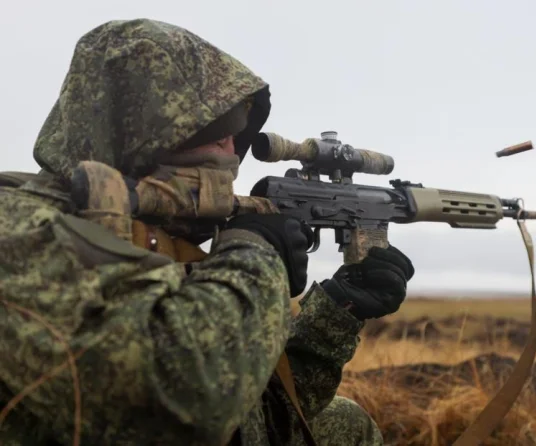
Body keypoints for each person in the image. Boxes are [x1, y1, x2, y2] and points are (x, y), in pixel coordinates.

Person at [0, 19, 414, 445]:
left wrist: (335, 315)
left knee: (347, 424)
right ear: (135, 132)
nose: (231, 152)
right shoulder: (16, 229)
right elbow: (182, 406)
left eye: (236, 134)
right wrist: (256, 254)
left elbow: (257, 421)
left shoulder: (154, 235)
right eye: (214, 131)